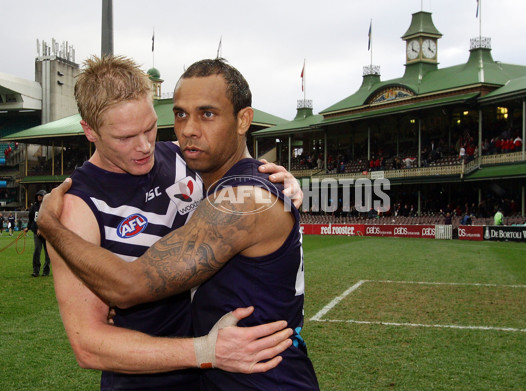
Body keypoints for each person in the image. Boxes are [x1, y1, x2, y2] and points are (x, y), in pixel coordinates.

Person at [39, 58, 320, 390]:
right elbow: (88, 344)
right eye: (126, 137)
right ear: (90, 131)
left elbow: (236, 176)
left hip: (221, 374)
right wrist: (203, 351)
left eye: (149, 127)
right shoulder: (76, 207)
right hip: (148, 383)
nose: (144, 146)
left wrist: (276, 179)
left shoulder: (180, 158)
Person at [24, 190, 51, 277]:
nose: (39, 197)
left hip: (46, 232)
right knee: (37, 251)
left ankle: (46, 271)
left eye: (41, 195)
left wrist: (42, 228)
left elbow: (49, 219)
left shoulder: (48, 207)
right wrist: (28, 227)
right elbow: (31, 219)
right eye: (38, 195)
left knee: (48, 252)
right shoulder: (34, 207)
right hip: (36, 232)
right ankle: (36, 270)